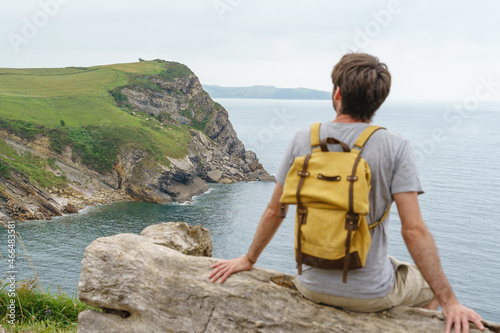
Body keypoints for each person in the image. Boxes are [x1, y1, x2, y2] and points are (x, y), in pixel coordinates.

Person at [208, 53, 484, 333]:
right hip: (371, 292)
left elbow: (274, 210)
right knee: (427, 286)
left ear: (337, 93)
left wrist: (249, 259)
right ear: (378, 101)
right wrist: (450, 301)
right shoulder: (395, 146)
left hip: (310, 286)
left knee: (395, 265)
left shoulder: (304, 138)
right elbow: (413, 231)